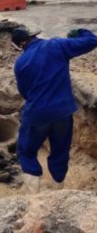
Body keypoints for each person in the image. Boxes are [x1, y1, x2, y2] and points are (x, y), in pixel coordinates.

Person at [12, 27, 97, 193]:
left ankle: (34, 200)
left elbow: (25, 92)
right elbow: (92, 41)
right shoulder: (56, 45)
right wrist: (81, 31)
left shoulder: (20, 63)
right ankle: (58, 196)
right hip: (63, 113)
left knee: (27, 153)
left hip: (36, 115)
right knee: (60, 153)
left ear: (21, 44)